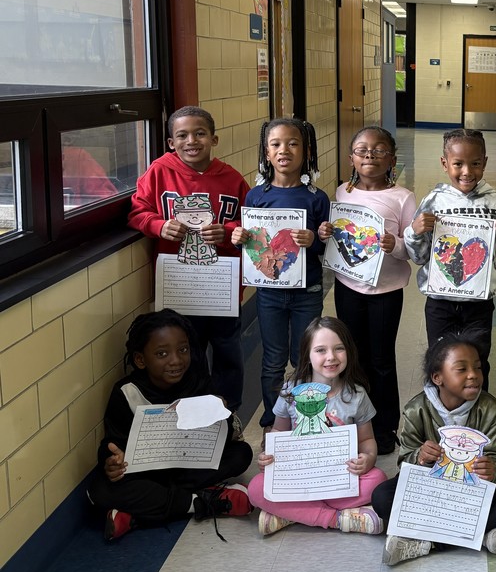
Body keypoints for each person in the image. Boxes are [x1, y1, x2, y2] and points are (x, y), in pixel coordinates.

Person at [87, 309, 253, 541]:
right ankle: (200, 502)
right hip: (148, 473)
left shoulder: (198, 382)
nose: (176, 360)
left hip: (188, 468)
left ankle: (137, 516)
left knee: (241, 454)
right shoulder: (127, 392)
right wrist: (111, 461)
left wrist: (220, 413)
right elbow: (112, 443)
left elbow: (224, 438)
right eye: (162, 353)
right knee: (98, 490)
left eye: (183, 350)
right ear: (140, 360)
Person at [371, 334, 496, 567]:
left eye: (477, 367)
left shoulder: (489, 407)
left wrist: (492, 468)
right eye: (461, 369)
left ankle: (424, 540)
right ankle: (478, 532)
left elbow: (495, 455)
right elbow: (405, 461)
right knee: (381, 497)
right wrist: (421, 456)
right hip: (429, 490)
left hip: (470, 492)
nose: (473, 375)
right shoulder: (416, 409)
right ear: (438, 378)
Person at [128, 106, 248, 411]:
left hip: (222, 286)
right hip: (180, 285)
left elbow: (251, 226)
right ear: (171, 141)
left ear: (214, 139)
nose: (191, 141)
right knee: (186, 352)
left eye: (200, 133)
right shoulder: (159, 172)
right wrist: (159, 225)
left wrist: (228, 231)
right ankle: (190, 412)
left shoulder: (232, 179)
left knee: (227, 351)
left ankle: (227, 411)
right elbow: (137, 212)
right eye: (182, 135)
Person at [318, 126, 415, 455]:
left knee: (382, 359)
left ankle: (385, 426)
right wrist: (326, 232)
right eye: (362, 150)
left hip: (386, 291)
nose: (370, 156)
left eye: (378, 150)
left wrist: (396, 245)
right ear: (351, 159)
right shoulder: (342, 193)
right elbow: (337, 239)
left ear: (392, 158)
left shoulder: (402, 197)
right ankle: (353, 421)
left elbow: (413, 249)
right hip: (348, 288)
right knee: (352, 357)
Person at [405, 128, 496, 389]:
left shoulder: (495, 202)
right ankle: (439, 416)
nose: (467, 171)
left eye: (475, 164)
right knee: (439, 360)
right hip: (439, 302)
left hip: (478, 303)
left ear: (485, 163)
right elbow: (419, 256)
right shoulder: (434, 201)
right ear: (444, 163)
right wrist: (413, 232)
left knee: (478, 360)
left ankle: (478, 416)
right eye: (458, 164)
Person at [232, 118, 330, 430]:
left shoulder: (316, 197)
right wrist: (240, 240)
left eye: (292, 143)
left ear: (306, 151)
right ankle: (273, 416)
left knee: (305, 358)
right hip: (269, 293)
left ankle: (305, 414)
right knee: (272, 359)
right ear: (266, 151)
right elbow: (254, 249)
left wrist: (314, 239)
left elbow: (326, 250)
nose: (283, 150)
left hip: (308, 291)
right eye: (275, 144)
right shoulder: (255, 196)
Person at [247, 317, 387, 536]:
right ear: (307, 355)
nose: (331, 357)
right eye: (320, 350)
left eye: (339, 349)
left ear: (349, 351)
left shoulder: (356, 395)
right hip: (298, 476)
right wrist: (269, 457)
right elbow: (278, 431)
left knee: (377, 481)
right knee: (255, 488)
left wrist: (368, 459)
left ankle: (291, 514)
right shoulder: (291, 391)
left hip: (339, 476)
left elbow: (367, 440)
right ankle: (337, 519)